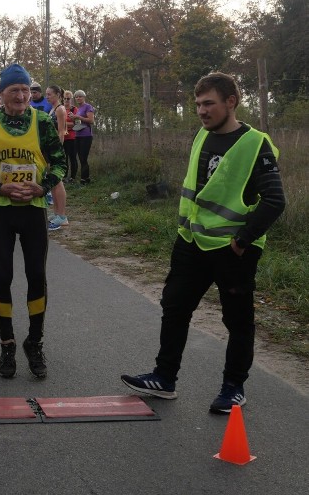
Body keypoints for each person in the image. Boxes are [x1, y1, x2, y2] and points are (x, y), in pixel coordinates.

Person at [121, 72, 286, 414]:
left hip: (233, 250)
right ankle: (164, 378)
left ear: (231, 102)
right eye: (197, 104)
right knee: (175, 306)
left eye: (208, 103)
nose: (201, 110)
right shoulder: (201, 135)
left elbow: (275, 201)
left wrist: (242, 241)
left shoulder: (256, 144)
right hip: (192, 240)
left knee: (237, 321)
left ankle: (233, 388)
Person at [0, 64, 66, 378]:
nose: (21, 96)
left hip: (34, 208)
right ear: (2, 94)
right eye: (14, 91)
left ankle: (34, 342)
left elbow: (59, 162)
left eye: (25, 90)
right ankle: (7, 343)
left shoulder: (43, 121)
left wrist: (43, 187)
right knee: (3, 277)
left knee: (37, 275)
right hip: (1, 210)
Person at [45, 84, 70, 230]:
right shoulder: (52, 109)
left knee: (58, 180)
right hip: (50, 149)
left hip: (56, 150)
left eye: (49, 94)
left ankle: (62, 216)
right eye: (46, 94)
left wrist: (57, 151)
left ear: (57, 95)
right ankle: (56, 213)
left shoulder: (60, 109)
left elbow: (61, 131)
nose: (47, 96)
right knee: (53, 182)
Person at [71, 89, 94, 184]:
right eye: (76, 97)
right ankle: (86, 178)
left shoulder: (88, 107)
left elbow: (91, 120)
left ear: (84, 97)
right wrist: (73, 118)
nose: (78, 98)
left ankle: (84, 179)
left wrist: (78, 117)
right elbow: (78, 122)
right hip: (78, 135)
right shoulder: (78, 109)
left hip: (86, 135)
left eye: (80, 96)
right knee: (80, 157)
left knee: (84, 158)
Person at [61, 91, 76, 182]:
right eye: (65, 98)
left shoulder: (74, 110)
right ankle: (64, 176)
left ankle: (73, 177)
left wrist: (63, 124)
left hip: (72, 137)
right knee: (64, 157)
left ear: (71, 99)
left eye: (68, 98)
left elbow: (77, 124)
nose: (66, 100)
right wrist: (68, 124)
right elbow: (56, 122)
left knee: (72, 157)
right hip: (62, 137)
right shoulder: (60, 109)